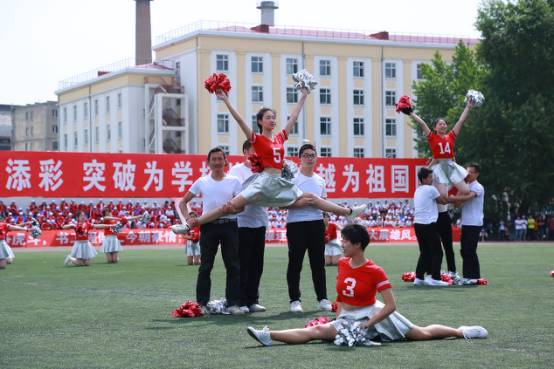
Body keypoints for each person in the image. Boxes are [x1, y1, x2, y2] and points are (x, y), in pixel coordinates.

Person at [246, 224, 488, 346]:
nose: (342, 245)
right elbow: (340, 294)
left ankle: (460, 331)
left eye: (346, 242)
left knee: (420, 333)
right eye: (342, 241)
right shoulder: (342, 264)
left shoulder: (375, 270)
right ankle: (268, 336)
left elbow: (391, 305)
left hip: (372, 313)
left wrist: (367, 324)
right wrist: (339, 317)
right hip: (348, 316)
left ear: (359, 245)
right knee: (317, 332)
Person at [172, 86, 366, 233]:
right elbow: (240, 121)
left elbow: (294, 117)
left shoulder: (280, 138)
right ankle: (190, 224)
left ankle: (349, 212)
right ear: (260, 121)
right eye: (268, 118)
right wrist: (225, 100)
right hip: (263, 182)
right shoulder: (257, 139)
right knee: (228, 207)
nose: (272, 120)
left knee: (312, 198)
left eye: (274, 117)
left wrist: (304, 95)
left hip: (280, 182)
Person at [178, 147, 244, 315]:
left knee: (233, 266)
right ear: (208, 163)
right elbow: (183, 202)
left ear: (225, 161)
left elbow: (242, 207)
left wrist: (233, 210)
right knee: (205, 266)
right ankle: (202, 303)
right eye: (213, 159)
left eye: (219, 159)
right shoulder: (202, 181)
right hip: (209, 226)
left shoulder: (234, 181)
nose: (216, 162)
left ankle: (233, 303)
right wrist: (189, 218)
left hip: (230, 225)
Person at [285, 144, 333, 313]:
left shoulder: (320, 180)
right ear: (300, 158)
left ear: (316, 158)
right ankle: (295, 300)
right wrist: (301, 203)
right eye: (306, 155)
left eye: (312, 155)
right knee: (295, 263)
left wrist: (326, 218)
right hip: (296, 224)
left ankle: (322, 298)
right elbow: (283, 203)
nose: (309, 158)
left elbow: (325, 203)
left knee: (318, 263)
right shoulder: (292, 179)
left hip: (316, 223)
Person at [229, 140, 268, 314]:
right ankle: (240, 300)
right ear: (245, 151)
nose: (257, 155)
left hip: (260, 221)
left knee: (257, 264)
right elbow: (234, 195)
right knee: (243, 263)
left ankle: (253, 299)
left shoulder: (265, 170)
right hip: (242, 222)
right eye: (254, 151)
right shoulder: (236, 171)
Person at [407, 99, 474, 197]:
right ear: (435, 128)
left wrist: (468, 106)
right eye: (440, 124)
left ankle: (451, 194)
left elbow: (461, 121)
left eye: (444, 124)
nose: (443, 125)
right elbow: (422, 124)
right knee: (443, 194)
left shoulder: (451, 136)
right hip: (440, 167)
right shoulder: (432, 137)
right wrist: (411, 113)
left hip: (451, 166)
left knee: (466, 190)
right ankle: (440, 191)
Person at [448, 164, 485, 284]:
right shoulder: (466, 186)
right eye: (466, 172)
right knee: (464, 250)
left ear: (477, 174)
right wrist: (459, 190)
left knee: (470, 250)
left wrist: (450, 198)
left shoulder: (478, 187)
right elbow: (457, 205)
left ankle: (473, 276)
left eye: (471, 172)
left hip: (474, 222)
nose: (467, 175)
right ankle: (468, 276)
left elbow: (469, 197)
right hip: (466, 222)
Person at [413, 168, 449, 287]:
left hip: (418, 224)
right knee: (437, 252)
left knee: (425, 252)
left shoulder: (417, 190)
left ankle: (418, 277)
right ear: (423, 179)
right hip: (428, 224)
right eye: (429, 177)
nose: (431, 179)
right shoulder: (431, 189)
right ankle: (435, 278)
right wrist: (449, 193)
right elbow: (443, 201)